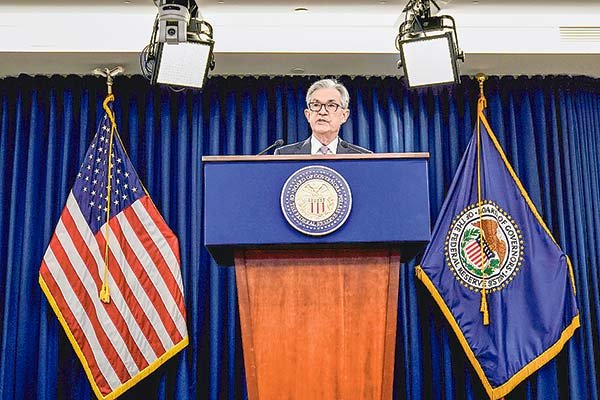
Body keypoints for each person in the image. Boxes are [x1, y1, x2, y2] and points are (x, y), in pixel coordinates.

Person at [274, 79, 371, 155]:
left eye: (331, 105)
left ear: (344, 115)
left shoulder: (362, 157)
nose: (322, 111)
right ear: (308, 115)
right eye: (316, 105)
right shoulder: (284, 154)